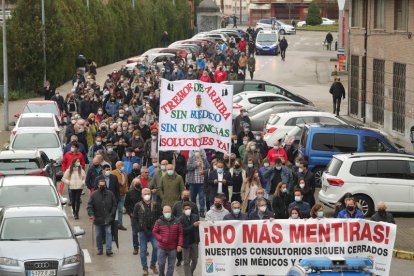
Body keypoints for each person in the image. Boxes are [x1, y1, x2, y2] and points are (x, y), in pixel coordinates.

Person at [134, 188, 161, 275]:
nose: (147, 195)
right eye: (145, 194)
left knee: (157, 248)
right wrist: (138, 228)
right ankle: (145, 268)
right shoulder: (138, 205)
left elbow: (160, 217)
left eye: (148, 193)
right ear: (142, 195)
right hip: (143, 231)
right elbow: (134, 218)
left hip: (154, 231)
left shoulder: (156, 204)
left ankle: (153, 265)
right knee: (143, 251)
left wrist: (159, 228)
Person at [87, 179, 117, 256]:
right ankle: (99, 249)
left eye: (103, 185)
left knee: (108, 232)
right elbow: (89, 206)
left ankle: (108, 250)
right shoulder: (93, 195)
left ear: (105, 185)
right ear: (98, 185)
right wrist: (91, 214)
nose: (102, 186)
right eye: (100, 185)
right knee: (98, 234)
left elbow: (114, 205)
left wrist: (112, 214)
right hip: (97, 218)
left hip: (108, 217)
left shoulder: (110, 194)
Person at [153, 205, 183, 276]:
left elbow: (180, 233)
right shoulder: (159, 222)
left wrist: (179, 244)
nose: (167, 213)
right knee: (161, 264)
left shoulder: (177, 221)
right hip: (162, 247)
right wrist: (161, 239)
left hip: (173, 248)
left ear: (171, 212)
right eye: (166, 212)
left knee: (171, 266)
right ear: (162, 212)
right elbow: (154, 232)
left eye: (169, 212)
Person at [179, 202, 200, 276]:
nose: (188, 210)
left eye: (189, 208)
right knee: (186, 262)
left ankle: (190, 272)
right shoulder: (180, 219)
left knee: (195, 260)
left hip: (194, 242)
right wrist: (193, 226)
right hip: (185, 243)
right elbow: (183, 231)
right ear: (183, 210)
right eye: (186, 209)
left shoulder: (195, 216)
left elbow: (199, 229)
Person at [186, 150, 209, 217]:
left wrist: (203, 172)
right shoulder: (191, 159)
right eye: (196, 151)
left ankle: (202, 211)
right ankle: (193, 211)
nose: (197, 152)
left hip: (202, 182)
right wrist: (196, 164)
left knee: (202, 198)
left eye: (198, 151)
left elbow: (209, 169)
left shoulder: (204, 160)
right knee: (192, 198)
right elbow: (188, 167)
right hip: (193, 182)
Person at [124, 178, 143, 255]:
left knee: (143, 232)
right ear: (133, 184)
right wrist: (130, 213)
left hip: (143, 215)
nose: (138, 183)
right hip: (134, 215)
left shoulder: (144, 192)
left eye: (139, 182)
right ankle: (136, 247)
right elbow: (126, 204)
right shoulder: (129, 193)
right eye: (136, 182)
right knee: (135, 232)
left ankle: (143, 248)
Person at [111, 161, 129, 230]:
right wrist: (119, 183)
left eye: (123, 165)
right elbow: (113, 182)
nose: (123, 166)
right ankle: (112, 224)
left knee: (120, 210)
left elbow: (126, 183)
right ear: (117, 166)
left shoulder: (124, 174)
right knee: (114, 209)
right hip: (115, 194)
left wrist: (126, 190)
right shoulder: (113, 172)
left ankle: (120, 224)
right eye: (121, 165)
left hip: (122, 194)